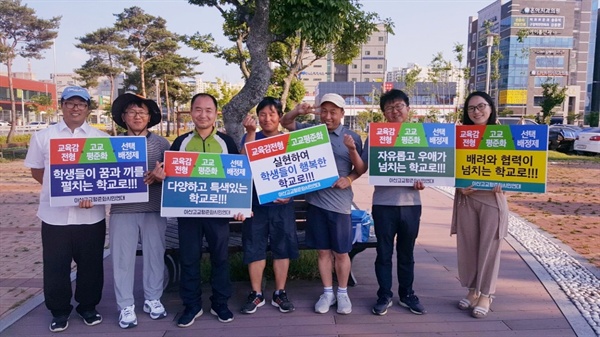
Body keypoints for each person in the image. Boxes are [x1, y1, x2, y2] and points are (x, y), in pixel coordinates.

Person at [24, 86, 108, 332]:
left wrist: (90, 193)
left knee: (91, 264)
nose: (75, 108)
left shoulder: (101, 139)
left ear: (88, 109)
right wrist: (64, 192)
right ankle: (59, 312)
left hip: (91, 216)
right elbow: (37, 170)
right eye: (70, 103)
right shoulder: (43, 137)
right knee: (55, 266)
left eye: (81, 104)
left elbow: (105, 176)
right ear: (61, 106)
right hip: (54, 217)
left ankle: (88, 307)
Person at [280, 93, 365, 315]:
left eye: (333, 112)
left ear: (342, 114)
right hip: (316, 204)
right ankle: (327, 292)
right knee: (323, 252)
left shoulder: (351, 136)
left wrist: (349, 173)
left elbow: (361, 169)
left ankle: (343, 293)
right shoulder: (310, 133)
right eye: (324, 111)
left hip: (340, 206)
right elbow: (285, 122)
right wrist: (298, 110)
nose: (328, 116)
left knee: (341, 252)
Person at [170, 93, 244, 327]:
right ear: (191, 112)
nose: (203, 114)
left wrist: (239, 207)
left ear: (215, 114)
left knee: (220, 258)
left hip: (218, 214)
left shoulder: (227, 143)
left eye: (208, 110)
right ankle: (191, 305)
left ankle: (220, 303)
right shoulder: (180, 143)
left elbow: (237, 177)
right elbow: (171, 177)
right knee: (189, 258)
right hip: (188, 214)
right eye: (198, 109)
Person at [360, 89, 427, 316]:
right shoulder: (376, 136)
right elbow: (364, 166)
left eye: (399, 106)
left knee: (407, 252)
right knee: (384, 252)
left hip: (411, 204)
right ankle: (384, 294)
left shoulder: (421, 135)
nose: (395, 110)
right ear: (384, 113)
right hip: (383, 204)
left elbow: (429, 166)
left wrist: (424, 180)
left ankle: (407, 294)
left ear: (408, 109)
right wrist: (351, 150)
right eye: (389, 107)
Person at [108, 93, 171, 329]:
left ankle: (153, 299)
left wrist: (161, 177)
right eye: (132, 112)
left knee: (155, 255)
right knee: (122, 259)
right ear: (123, 117)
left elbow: (174, 177)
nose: (137, 116)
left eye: (142, 112)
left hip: (154, 209)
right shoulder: (111, 144)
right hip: (122, 210)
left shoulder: (163, 144)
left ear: (149, 117)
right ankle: (125, 305)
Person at [451, 91, 509, 319]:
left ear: (491, 107)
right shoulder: (460, 135)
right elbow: (450, 166)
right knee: (468, 247)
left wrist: (505, 184)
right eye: (471, 108)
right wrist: (458, 186)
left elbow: (518, 168)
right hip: (467, 199)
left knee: (489, 249)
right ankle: (473, 290)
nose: (477, 111)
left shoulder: (504, 135)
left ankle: (486, 293)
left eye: (481, 106)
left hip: (492, 201)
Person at [238, 97, 299, 314]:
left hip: (282, 207)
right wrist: (251, 133)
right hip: (256, 205)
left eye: (272, 114)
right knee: (255, 249)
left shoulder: (290, 140)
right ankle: (256, 294)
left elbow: (300, 174)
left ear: (280, 117)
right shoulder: (251, 137)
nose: (267, 118)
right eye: (262, 114)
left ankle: (279, 293)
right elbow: (241, 167)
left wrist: (291, 193)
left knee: (282, 249)